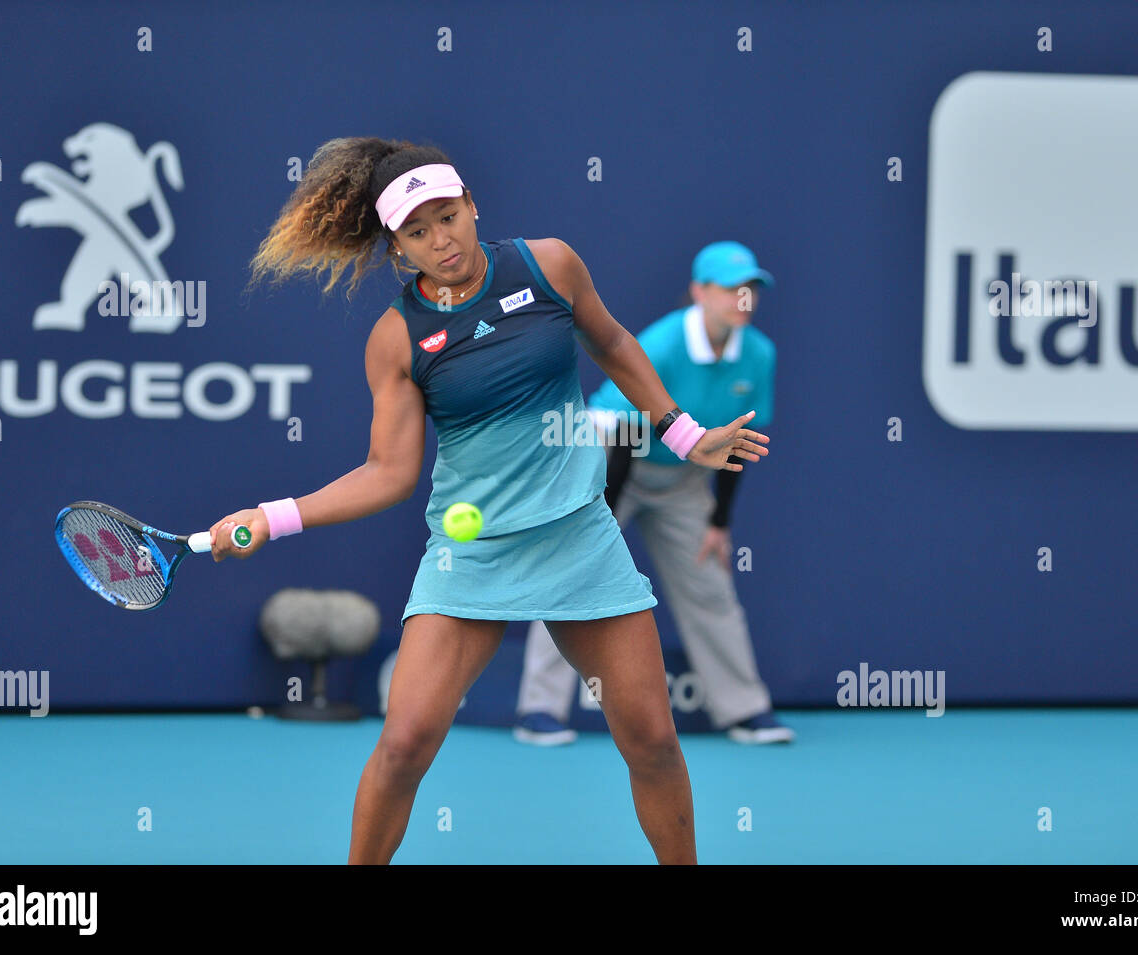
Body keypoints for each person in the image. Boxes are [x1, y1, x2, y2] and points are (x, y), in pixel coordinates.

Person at [204, 138, 770, 864]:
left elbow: (616, 343)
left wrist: (686, 435)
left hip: (579, 541)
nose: (441, 240)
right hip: (470, 557)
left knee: (654, 742)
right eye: (417, 231)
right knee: (404, 744)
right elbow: (388, 471)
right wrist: (272, 516)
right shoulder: (397, 338)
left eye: (448, 216)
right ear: (397, 248)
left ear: (472, 205)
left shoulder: (548, 265)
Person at [514, 242, 792, 747]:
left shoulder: (759, 354)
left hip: (682, 479)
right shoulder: (663, 345)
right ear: (699, 292)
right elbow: (624, 432)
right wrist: (601, 523)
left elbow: (739, 445)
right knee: (573, 573)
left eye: (750, 289)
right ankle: (539, 709)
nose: (743, 300)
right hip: (611, 456)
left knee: (709, 583)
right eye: (732, 289)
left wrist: (719, 523)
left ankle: (745, 709)